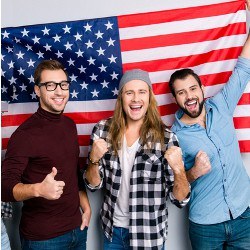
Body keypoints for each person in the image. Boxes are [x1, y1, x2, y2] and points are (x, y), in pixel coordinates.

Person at [168, 10, 250, 250]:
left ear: (202, 89)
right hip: (206, 227)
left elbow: (244, 69)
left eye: (193, 89)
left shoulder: (222, 105)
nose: (189, 96)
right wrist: (193, 171)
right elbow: (177, 194)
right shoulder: (175, 136)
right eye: (181, 92)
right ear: (175, 99)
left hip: (244, 216)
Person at [84, 69, 190, 250]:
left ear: (149, 98)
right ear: (121, 99)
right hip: (113, 233)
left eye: (142, 92)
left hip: (149, 236)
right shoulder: (102, 130)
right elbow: (93, 185)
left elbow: (180, 200)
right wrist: (93, 160)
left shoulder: (166, 138)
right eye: (129, 92)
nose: (135, 99)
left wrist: (179, 170)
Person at [1, 60, 91, 250]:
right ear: (37, 90)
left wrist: (86, 206)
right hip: (43, 239)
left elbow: (73, 171)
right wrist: (38, 190)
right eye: (50, 85)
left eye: (63, 85)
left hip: (77, 230)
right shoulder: (24, 134)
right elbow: (4, 187)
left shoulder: (69, 125)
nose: (59, 91)